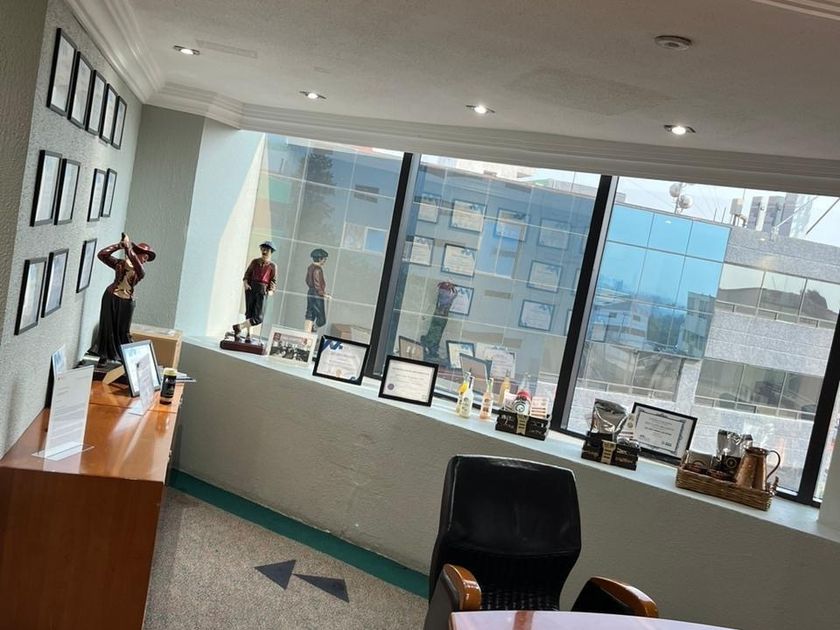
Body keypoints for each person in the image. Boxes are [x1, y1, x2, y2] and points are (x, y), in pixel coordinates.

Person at [91, 233, 156, 365]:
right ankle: (103, 355)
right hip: (111, 296)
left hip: (127, 301)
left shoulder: (140, 271)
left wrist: (127, 248)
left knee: (124, 331)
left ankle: (126, 357)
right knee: (107, 326)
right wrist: (119, 246)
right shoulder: (120, 264)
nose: (145, 260)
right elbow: (102, 255)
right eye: (145, 257)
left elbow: (136, 264)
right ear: (138, 253)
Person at [233, 241, 277, 342]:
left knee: (258, 317)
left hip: (262, 290)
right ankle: (249, 335)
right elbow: (247, 274)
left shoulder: (272, 266)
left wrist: (271, 290)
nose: (264, 252)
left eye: (267, 250)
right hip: (251, 287)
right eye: (263, 249)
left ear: (271, 252)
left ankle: (239, 327)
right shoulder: (255, 262)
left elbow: (273, 281)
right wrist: (246, 284)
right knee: (250, 313)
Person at [304, 248, 330, 333]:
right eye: (324, 259)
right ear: (320, 259)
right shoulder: (318, 269)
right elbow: (317, 283)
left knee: (310, 314)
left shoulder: (310, 267)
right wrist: (323, 293)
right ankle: (313, 329)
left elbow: (307, 280)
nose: (325, 261)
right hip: (317, 295)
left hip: (310, 293)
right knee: (322, 319)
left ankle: (306, 332)